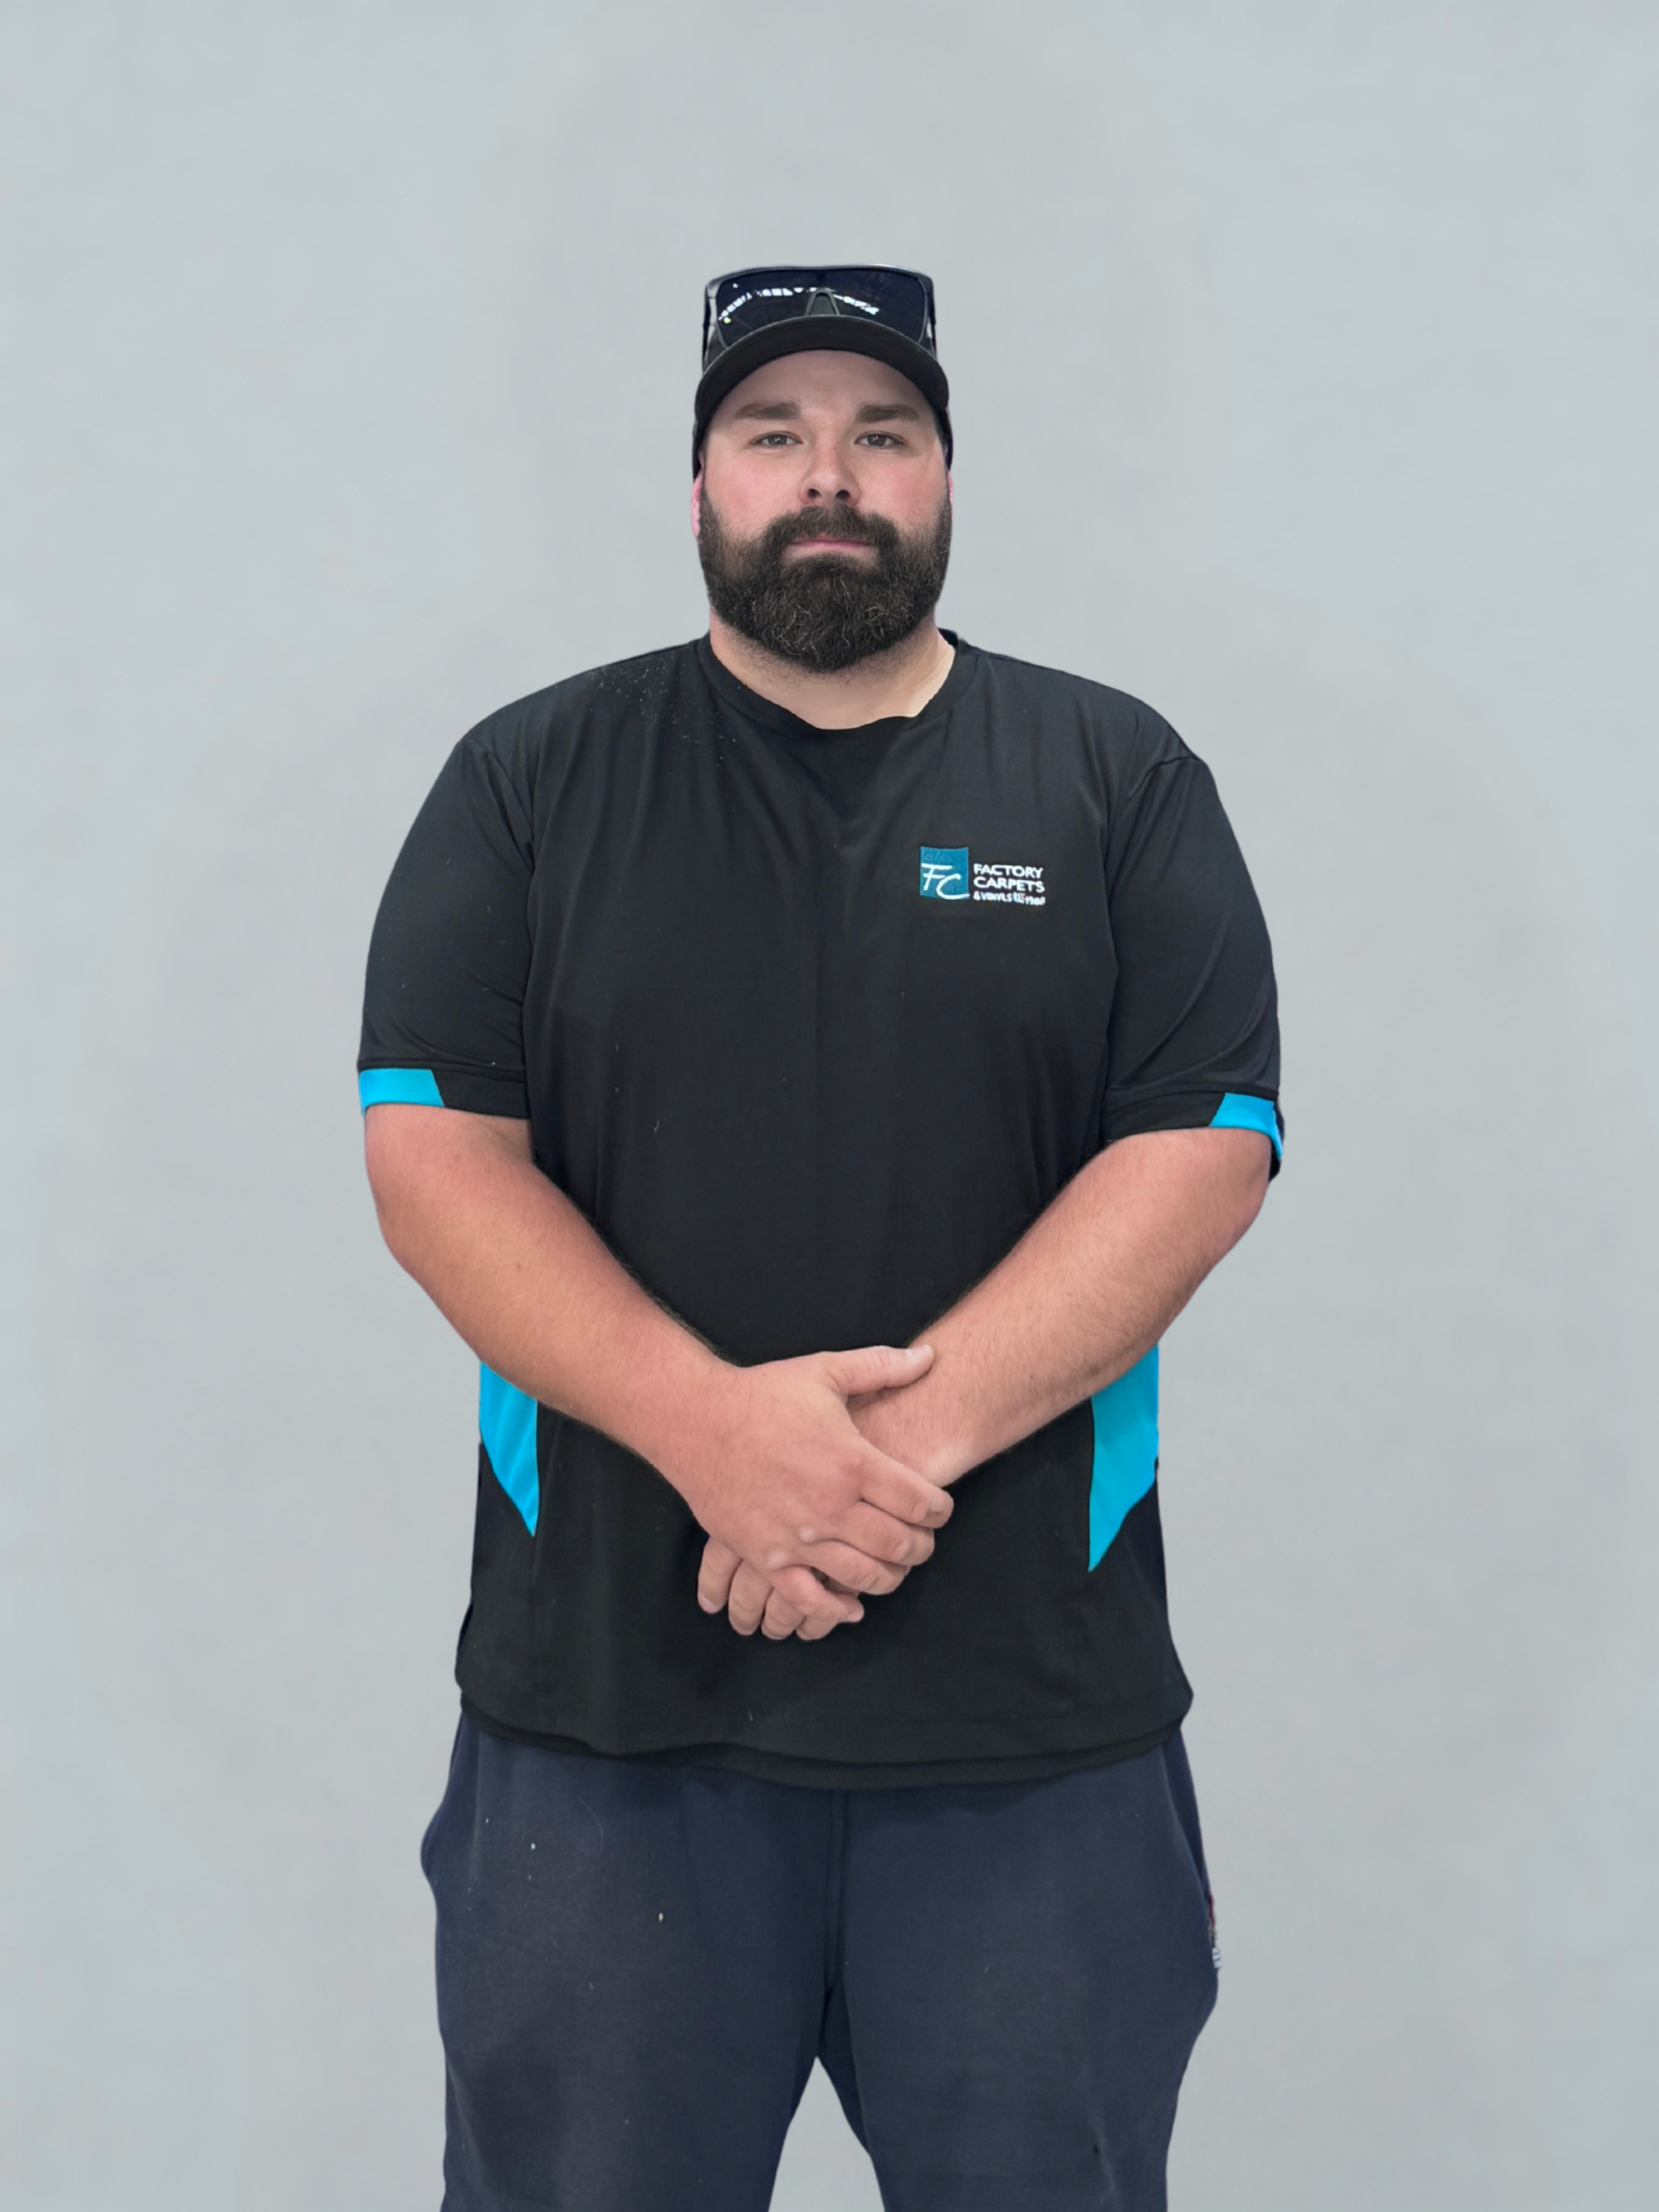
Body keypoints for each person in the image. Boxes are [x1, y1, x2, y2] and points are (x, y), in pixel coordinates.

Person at [358, 263, 1283, 2212]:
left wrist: (864, 1465)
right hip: (609, 1726)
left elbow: (1202, 1149)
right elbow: (435, 1163)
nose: (828, 476)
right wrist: (714, 1436)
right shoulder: (529, 784)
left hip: (1031, 1732)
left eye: (883, 434)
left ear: (948, 478)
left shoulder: (1113, 783)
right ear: (696, 487)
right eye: (771, 435)